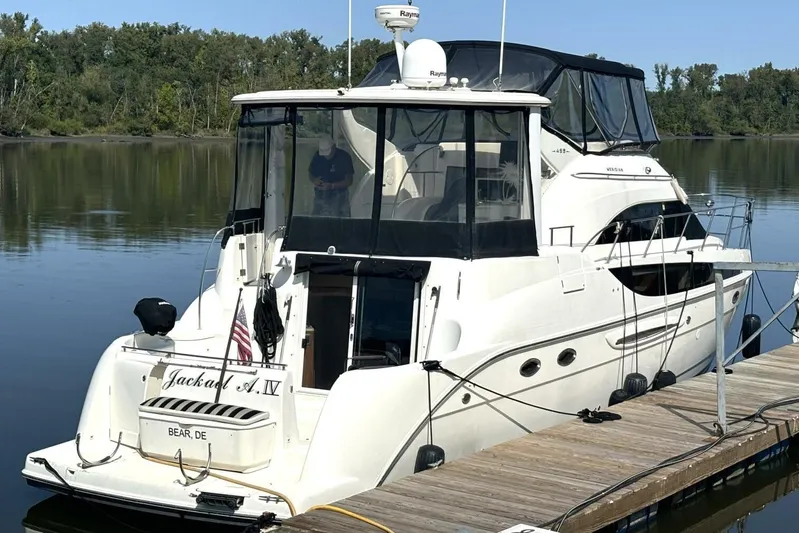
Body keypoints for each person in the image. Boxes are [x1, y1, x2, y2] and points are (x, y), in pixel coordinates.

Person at [308, 135, 354, 217]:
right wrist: (315, 180)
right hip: (320, 194)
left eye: (328, 152)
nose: (326, 156)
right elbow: (311, 173)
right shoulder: (317, 156)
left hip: (339, 195)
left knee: (338, 219)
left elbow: (349, 181)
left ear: (334, 147)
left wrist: (332, 186)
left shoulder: (344, 157)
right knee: (316, 219)